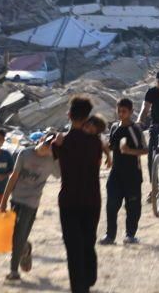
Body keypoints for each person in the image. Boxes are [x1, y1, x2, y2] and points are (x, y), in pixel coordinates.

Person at [53, 96, 103, 293]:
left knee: (73, 247)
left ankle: (79, 287)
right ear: (87, 117)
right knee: (88, 241)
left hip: (69, 201)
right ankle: (90, 277)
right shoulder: (96, 142)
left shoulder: (62, 142)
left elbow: (53, 157)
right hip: (92, 199)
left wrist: (56, 143)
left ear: (69, 115)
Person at [0, 133, 59, 282]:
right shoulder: (24, 154)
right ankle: (25, 248)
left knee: (18, 235)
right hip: (16, 199)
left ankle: (14, 272)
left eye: (51, 145)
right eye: (47, 142)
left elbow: (61, 175)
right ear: (41, 140)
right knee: (13, 235)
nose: (47, 146)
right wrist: (3, 201)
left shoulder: (53, 160)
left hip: (31, 203)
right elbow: (13, 177)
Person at [101, 99, 145, 245]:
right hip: (116, 173)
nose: (121, 114)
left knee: (132, 206)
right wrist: (107, 153)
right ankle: (110, 235)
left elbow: (145, 149)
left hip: (132, 174)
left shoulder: (135, 129)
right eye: (119, 111)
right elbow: (112, 146)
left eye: (124, 111)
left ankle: (130, 234)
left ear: (131, 112)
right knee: (111, 204)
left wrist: (129, 151)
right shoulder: (114, 127)